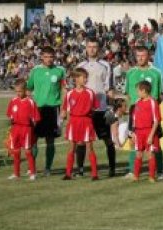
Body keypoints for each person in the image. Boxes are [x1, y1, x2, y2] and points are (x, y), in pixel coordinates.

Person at [124, 46, 163, 179]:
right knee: (132, 140)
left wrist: (153, 106)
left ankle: (159, 171)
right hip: (135, 113)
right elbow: (127, 94)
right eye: (138, 55)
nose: (140, 58)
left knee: (155, 142)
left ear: (148, 56)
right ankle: (133, 171)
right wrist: (132, 108)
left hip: (151, 115)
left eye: (143, 55)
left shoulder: (156, 72)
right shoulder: (130, 73)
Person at [77, 39, 117, 177]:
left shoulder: (106, 65)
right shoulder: (80, 66)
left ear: (99, 49)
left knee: (108, 140)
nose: (92, 49)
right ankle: (80, 170)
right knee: (81, 141)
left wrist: (111, 110)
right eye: (89, 47)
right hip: (85, 112)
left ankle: (112, 168)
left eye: (95, 47)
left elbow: (110, 89)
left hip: (101, 109)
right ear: (86, 48)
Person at [27, 45, 66, 175]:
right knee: (34, 138)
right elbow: (28, 89)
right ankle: (31, 168)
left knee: (50, 139)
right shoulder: (35, 71)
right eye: (46, 57)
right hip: (37, 109)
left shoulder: (60, 70)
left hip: (53, 108)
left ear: (54, 57)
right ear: (41, 57)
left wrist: (64, 109)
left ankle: (48, 168)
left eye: (51, 57)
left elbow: (64, 90)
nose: (49, 59)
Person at [60, 68, 100, 181]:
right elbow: (65, 110)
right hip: (73, 122)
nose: (86, 79)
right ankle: (68, 173)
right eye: (84, 77)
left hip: (86, 122)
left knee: (89, 147)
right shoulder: (70, 94)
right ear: (76, 79)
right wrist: (65, 121)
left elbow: (95, 107)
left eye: (86, 77)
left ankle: (94, 174)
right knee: (71, 148)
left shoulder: (90, 93)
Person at [6, 79, 40, 180]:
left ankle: (32, 173)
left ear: (25, 90)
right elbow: (10, 115)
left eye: (20, 91)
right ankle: (16, 174)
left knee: (28, 151)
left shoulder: (30, 102)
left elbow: (36, 118)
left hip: (26, 129)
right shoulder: (13, 101)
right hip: (15, 128)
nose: (18, 93)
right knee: (16, 151)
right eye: (16, 91)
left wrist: (32, 128)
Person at [131, 81, 161, 182]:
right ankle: (136, 176)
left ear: (144, 91)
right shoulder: (137, 102)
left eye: (138, 91)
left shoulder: (153, 102)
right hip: (139, 132)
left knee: (150, 154)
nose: (137, 93)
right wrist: (133, 133)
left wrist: (151, 135)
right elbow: (135, 118)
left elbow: (156, 120)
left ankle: (151, 176)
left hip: (149, 131)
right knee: (138, 154)